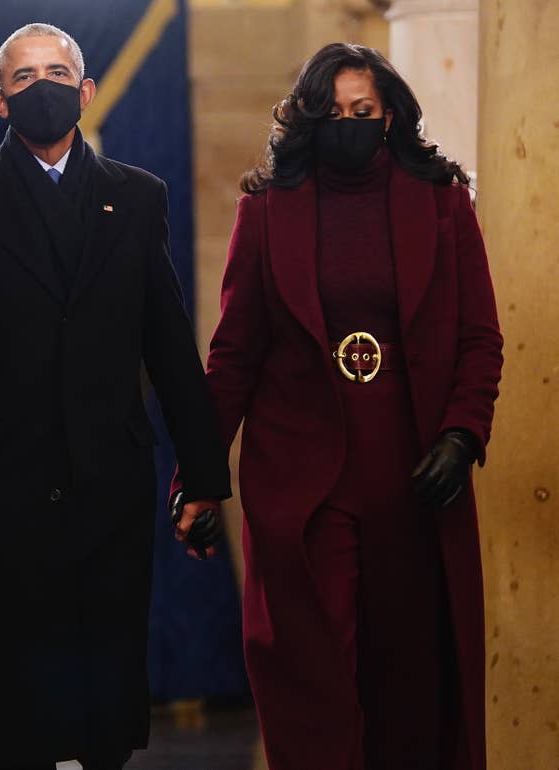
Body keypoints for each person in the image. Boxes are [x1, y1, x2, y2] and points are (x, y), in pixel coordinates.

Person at [0, 22, 230, 770]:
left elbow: (170, 349)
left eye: (56, 73)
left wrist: (204, 479)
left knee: (107, 703)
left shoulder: (138, 199)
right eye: (23, 77)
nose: (40, 86)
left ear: (85, 92)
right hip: (0, 494)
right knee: (20, 710)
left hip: (109, 486)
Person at [179, 43, 503, 770]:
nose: (348, 124)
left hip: (414, 483)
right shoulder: (266, 211)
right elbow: (233, 357)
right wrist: (196, 478)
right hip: (303, 488)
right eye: (330, 114)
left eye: (363, 112)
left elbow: (481, 340)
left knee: (411, 693)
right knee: (313, 686)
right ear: (304, 121)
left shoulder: (444, 202)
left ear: (391, 116)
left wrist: (463, 434)